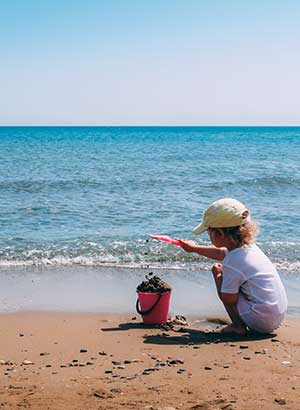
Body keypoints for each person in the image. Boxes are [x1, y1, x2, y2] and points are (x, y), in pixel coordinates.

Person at [180, 198, 288, 335]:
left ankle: (238, 326)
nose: (209, 236)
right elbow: (221, 253)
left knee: (225, 282)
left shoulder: (233, 261)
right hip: (274, 316)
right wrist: (193, 248)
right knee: (235, 281)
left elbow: (228, 298)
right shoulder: (248, 248)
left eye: (209, 232)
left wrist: (218, 276)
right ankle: (243, 322)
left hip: (260, 321)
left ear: (219, 234)